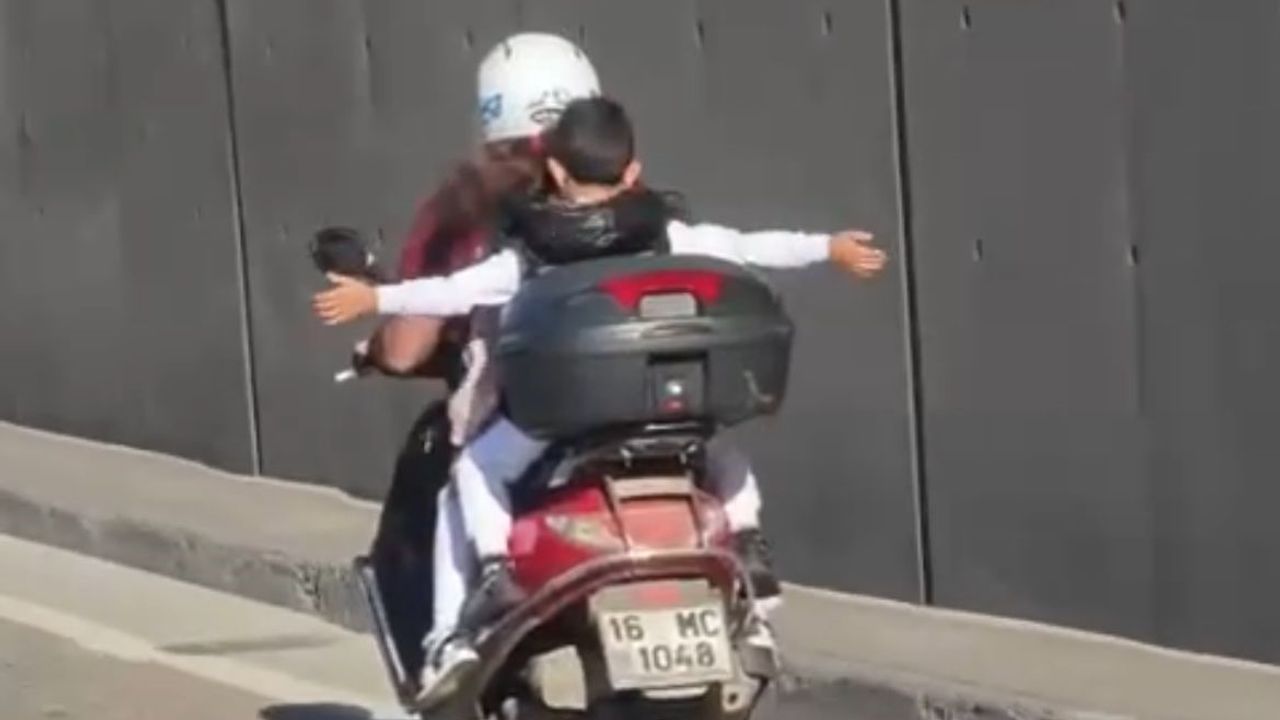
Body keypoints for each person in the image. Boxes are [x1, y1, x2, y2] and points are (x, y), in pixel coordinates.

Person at [315, 96, 888, 701]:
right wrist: (829, 248)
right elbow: (748, 246)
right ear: (633, 171)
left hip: (562, 423)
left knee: (473, 473)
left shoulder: (529, 248)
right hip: (660, 415)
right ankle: (750, 559)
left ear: (556, 171)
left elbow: (451, 292)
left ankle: (469, 610)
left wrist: (375, 300)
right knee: (720, 452)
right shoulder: (668, 233)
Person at [347, 32, 604, 687]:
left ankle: (445, 656)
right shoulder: (630, 194)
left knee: (426, 498)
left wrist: (376, 345)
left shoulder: (464, 209)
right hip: (628, 423)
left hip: (520, 428)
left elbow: (406, 347)